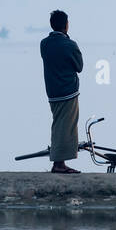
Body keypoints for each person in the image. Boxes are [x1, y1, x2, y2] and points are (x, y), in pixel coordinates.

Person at [39, 10, 83, 174]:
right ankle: (59, 164)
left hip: (52, 91)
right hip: (68, 91)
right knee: (65, 127)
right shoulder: (70, 45)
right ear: (66, 25)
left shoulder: (44, 43)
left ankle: (59, 161)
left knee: (58, 124)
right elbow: (79, 66)